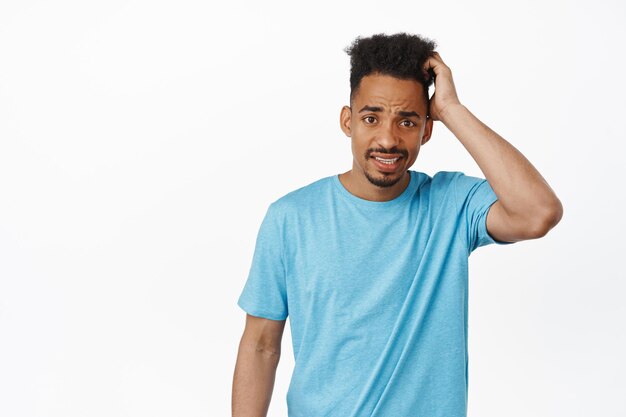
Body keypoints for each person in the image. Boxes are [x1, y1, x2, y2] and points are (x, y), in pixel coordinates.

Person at [231, 32, 563, 417]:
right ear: (347, 121)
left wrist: (452, 108)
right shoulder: (291, 217)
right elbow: (260, 344)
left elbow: (538, 212)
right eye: (371, 118)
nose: (388, 139)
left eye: (407, 121)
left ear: (427, 129)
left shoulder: (451, 204)